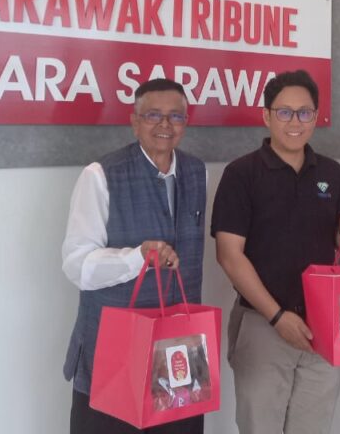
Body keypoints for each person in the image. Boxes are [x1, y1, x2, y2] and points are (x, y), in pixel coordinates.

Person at [210, 70, 340, 434]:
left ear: (316, 116)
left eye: (305, 112)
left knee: (313, 428)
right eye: (285, 112)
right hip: (263, 324)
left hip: (323, 326)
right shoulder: (241, 174)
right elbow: (229, 255)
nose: (296, 122)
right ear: (267, 116)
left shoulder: (332, 173)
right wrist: (277, 317)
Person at [62, 78, 207, 434]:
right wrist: (136, 258)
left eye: (175, 116)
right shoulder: (100, 175)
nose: (165, 125)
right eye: (153, 115)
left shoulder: (197, 172)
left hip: (177, 354)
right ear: (134, 121)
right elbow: (77, 265)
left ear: (186, 122)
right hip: (114, 354)